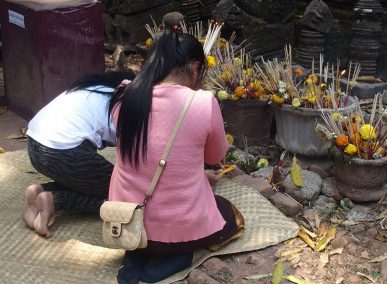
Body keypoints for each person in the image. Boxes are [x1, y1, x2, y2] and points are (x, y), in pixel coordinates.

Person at [108, 28, 244, 284]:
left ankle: (135, 257)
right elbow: (215, 155)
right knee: (227, 214)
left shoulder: (124, 93)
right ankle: (177, 256)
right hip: (177, 228)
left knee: (146, 223)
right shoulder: (203, 102)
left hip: (125, 219)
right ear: (195, 68)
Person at [23, 70, 135, 238]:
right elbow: (132, 155)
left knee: (93, 180)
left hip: (34, 146)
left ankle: (39, 192)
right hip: (63, 154)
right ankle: (55, 200)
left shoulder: (93, 88)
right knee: (123, 193)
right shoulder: (120, 102)